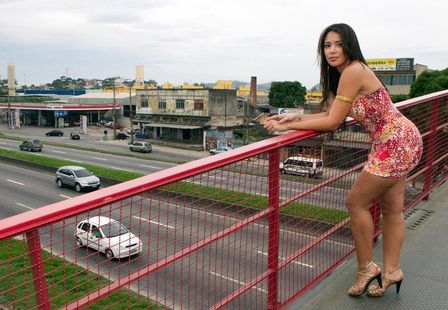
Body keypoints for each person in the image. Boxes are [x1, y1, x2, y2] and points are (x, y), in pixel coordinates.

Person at [264, 23, 423, 297]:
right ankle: (392, 270)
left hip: (395, 143)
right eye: (327, 46)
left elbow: (332, 122)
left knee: (356, 202)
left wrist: (287, 127)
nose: (332, 50)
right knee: (392, 209)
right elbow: (327, 115)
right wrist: (293, 117)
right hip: (399, 140)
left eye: (338, 44)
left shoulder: (353, 71)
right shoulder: (343, 77)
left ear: (349, 45)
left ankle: (366, 269)